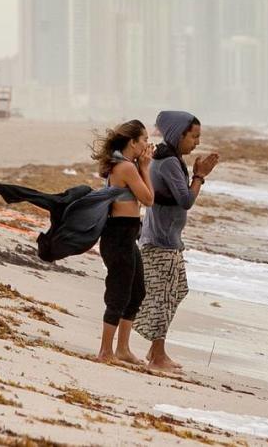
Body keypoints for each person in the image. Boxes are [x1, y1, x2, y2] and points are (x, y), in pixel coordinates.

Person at [133, 111, 219, 371]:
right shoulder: (169, 161)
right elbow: (186, 201)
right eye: (194, 136)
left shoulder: (168, 158)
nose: (197, 142)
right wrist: (199, 176)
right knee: (163, 296)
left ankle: (154, 346)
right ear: (178, 134)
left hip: (163, 238)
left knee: (175, 290)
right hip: (161, 241)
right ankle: (157, 354)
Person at [90, 120, 154, 364]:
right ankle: (105, 351)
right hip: (117, 235)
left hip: (127, 235)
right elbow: (148, 199)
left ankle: (123, 349)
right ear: (132, 142)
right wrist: (145, 168)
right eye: (144, 140)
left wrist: (141, 165)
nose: (147, 144)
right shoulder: (126, 167)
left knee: (137, 291)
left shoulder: (125, 164)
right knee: (119, 293)